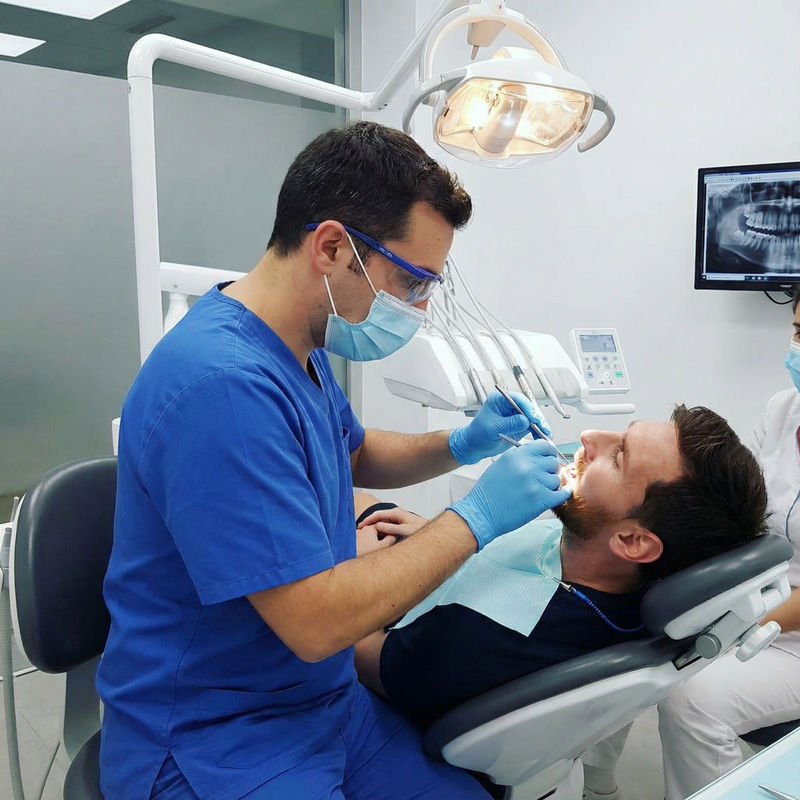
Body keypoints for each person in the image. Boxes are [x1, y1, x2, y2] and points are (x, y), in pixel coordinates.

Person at [96, 120, 572, 800]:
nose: (419, 307)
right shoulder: (220, 386)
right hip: (216, 734)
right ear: (331, 247)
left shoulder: (298, 340)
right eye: (410, 282)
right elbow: (316, 624)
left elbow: (352, 450)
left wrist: (461, 443)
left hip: (323, 703)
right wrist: (476, 516)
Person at [353, 405, 769, 732]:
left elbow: (364, 657)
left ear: (632, 542)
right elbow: (510, 564)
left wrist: (358, 564)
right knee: (363, 502)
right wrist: (441, 537)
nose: (590, 437)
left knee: (342, 512)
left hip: (377, 664)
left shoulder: (486, 635)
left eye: (619, 455)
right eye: (622, 433)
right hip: (439, 598)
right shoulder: (605, 570)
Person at [655, 286, 800, 800]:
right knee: (635, 647)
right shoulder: (784, 409)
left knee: (692, 702)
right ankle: (599, 786)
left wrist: (740, 623)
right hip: (759, 600)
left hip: (793, 637)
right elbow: (744, 511)